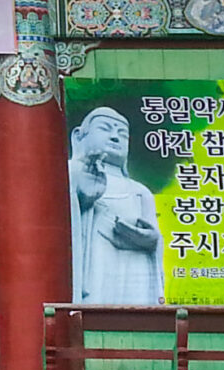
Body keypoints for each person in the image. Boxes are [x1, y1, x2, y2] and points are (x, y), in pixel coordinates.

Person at [69, 105, 163, 304]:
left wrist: (148, 237)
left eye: (122, 134)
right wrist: (84, 194)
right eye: (105, 128)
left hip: (136, 260)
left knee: (137, 307)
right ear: (79, 136)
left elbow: (154, 235)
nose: (115, 137)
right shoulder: (73, 172)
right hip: (99, 254)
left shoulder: (139, 191)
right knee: (98, 299)